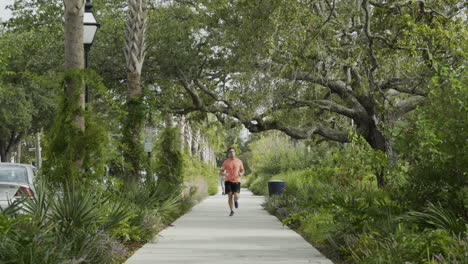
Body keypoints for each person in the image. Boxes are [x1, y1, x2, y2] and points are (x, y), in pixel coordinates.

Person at [220, 147, 244, 216]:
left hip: (236, 180)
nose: (232, 153)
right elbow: (221, 170)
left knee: (236, 196)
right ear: (228, 153)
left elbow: (242, 170)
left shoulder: (239, 161)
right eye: (230, 152)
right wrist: (223, 173)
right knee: (230, 195)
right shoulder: (226, 162)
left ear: (235, 152)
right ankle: (232, 211)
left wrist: (241, 173)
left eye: (233, 151)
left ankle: (236, 201)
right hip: (228, 181)